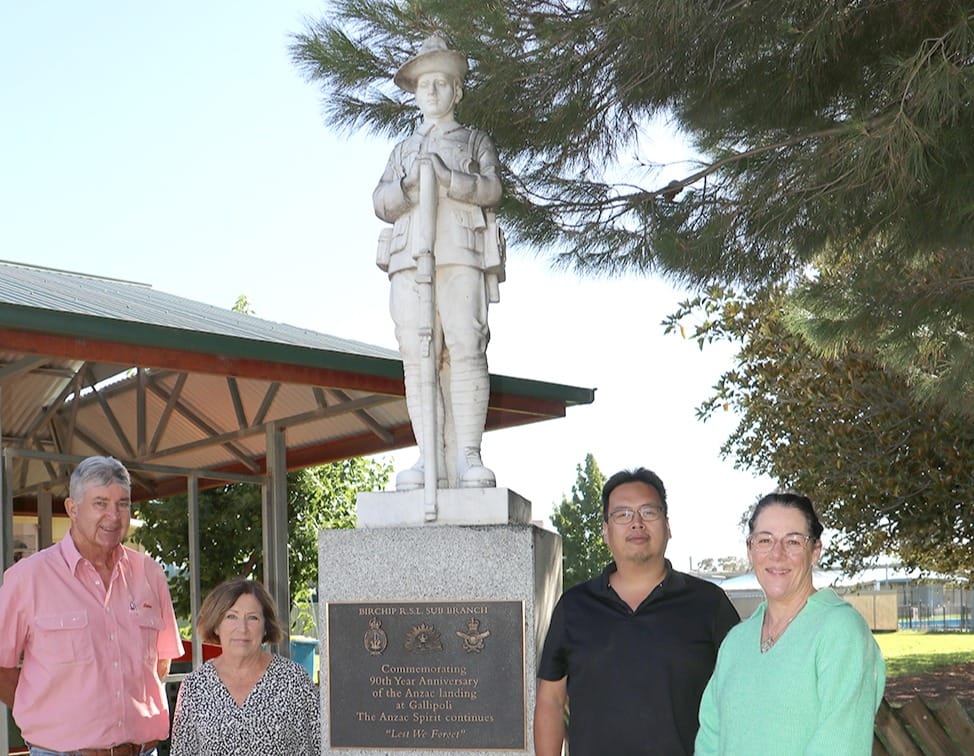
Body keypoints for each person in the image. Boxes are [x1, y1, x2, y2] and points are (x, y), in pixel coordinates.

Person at [373, 32, 505, 491]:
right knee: (417, 354)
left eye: (441, 82)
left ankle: (467, 454)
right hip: (409, 258)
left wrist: (450, 180)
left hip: (460, 251)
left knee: (466, 344)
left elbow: (491, 189)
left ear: (457, 90)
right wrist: (408, 187)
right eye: (424, 83)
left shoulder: (473, 141)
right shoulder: (402, 150)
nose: (431, 91)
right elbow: (380, 200)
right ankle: (429, 457)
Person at [534, 468, 740, 755]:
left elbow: (741, 697)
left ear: (668, 525)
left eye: (649, 512)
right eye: (623, 514)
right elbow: (551, 702)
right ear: (605, 531)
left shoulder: (709, 603)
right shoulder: (574, 606)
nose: (637, 523)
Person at [0, 455, 182, 756]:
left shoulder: (150, 573)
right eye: (100, 503)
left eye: (122, 503)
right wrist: (45, 714)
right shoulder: (27, 578)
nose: (114, 515)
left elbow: (161, 663)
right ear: (72, 509)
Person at [695, 492, 886, 755]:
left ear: (815, 551)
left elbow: (841, 744)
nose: (777, 554)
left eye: (793, 541)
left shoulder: (841, 632)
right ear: (750, 550)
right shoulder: (735, 642)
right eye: (765, 540)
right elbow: (710, 738)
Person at [169, 578, 320, 756]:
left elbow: (323, 746)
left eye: (253, 618)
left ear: (265, 627)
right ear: (216, 625)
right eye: (231, 616)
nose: (242, 628)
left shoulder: (294, 680)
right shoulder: (195, 687)